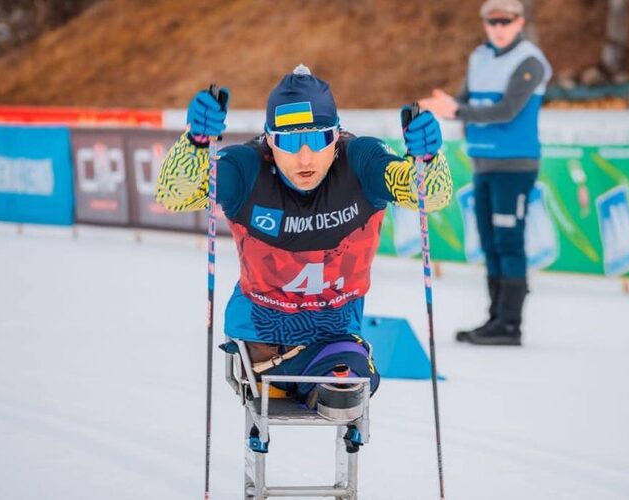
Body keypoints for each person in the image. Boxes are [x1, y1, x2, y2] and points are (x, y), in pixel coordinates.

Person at [155, 65, 451, 414]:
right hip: (261, 343)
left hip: (332, 339)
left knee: (345, 396)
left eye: (318, 139)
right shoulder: (246, 167)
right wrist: (195, 143)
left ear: (337, 135)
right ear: (269, 140)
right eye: (291, 142)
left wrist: (428, 160)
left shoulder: (363, 161)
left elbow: (429, 196)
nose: (305, 157)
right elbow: (173, 195)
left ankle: (320, 384)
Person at [419, 0, 551, 346]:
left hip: (515, 164)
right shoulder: (479, 57)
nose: (498, 28)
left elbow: (507, 110)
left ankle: (510, 324)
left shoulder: (530, 61)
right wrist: (445, 108)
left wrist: (458, 109)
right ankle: (495, 318)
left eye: (505, 21)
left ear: (520, 22)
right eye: (492, 22)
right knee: (491, 243)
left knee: (509, 241)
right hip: (482, 163)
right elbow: (463, 102)